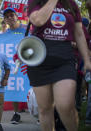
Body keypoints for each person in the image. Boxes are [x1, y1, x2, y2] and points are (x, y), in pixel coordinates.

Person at [26, 0, 91, 131]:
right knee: (45, 109)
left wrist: (87, 60)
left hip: (65, 60)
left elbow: (79, 33)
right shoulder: (35, 1)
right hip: (40, 62)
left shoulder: (71, 4)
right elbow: (38, 20)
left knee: (65, 106)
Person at [3, 7, 27, 124]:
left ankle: (39, 113)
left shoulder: (26, 29)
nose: (10, 18)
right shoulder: (5, 34)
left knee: (33, 88)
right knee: (15, 87)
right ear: (5, 20)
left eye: (12, 15)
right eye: (7, 16)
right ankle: (16, 113)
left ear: (16, 16)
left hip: (28, 63)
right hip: (14, 65)